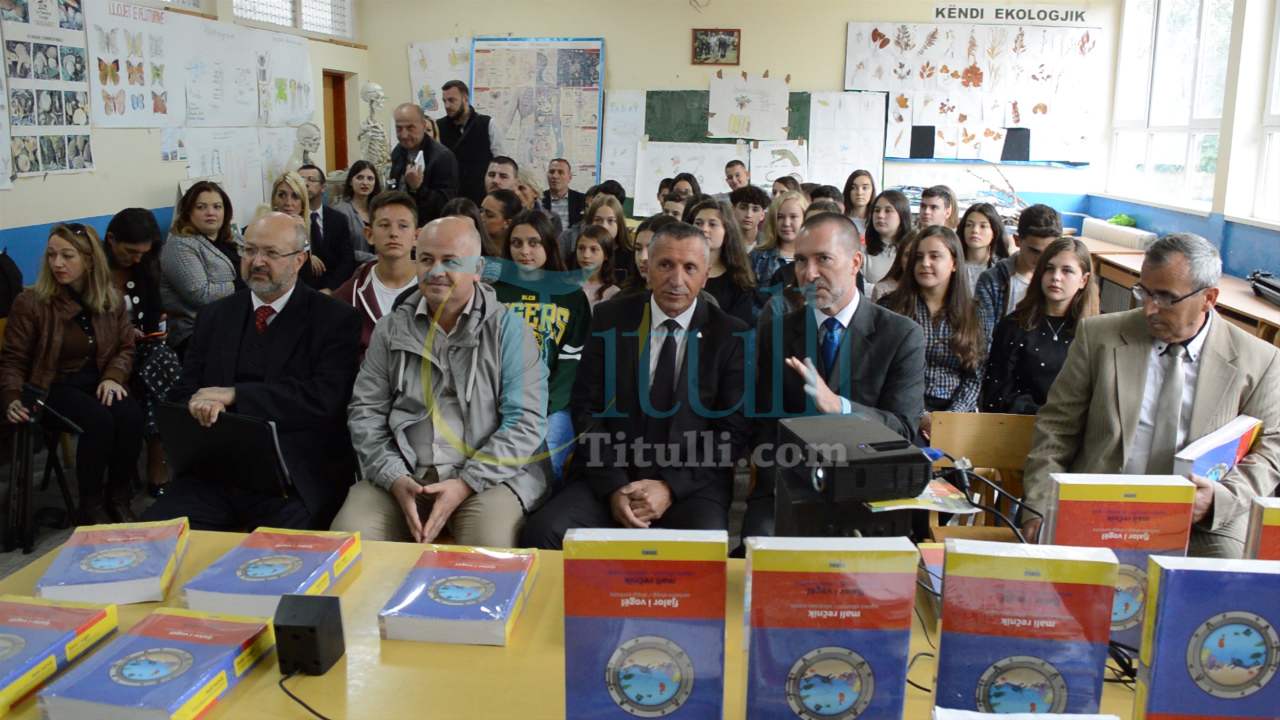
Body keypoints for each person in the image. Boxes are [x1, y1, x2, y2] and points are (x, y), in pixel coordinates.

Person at [1022, 233, 1280, 558]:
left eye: (1165, 297)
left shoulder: (1259, 360)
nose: (1148, 309)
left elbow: (1271, 452)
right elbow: (1056, 429)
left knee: (1228, 588)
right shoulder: (1099, 337)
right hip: (1103, 507)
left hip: (1199, 520)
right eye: (1144, 292)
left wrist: (1219, 498)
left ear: (1208, 298)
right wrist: (1041, 503)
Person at [520, 222, 750, 548]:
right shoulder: (611, 318)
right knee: (545, 531)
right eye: (666, 265)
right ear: (648, 267)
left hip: (691, 485)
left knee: (703, 550)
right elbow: (587, 407)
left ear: (707, 272)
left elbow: (731, 430)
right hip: (609, 475)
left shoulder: (731, 335)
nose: (676, 279)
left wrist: (668, 488)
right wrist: (615, 487)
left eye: (689, 268)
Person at [332, 216, 550, 546]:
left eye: (450, 261)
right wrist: (392, 476)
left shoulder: (510, 332)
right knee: (346, 543)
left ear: (477, 269)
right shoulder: (391, 329)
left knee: (486, 558)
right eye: (426, 259)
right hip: (403, 475)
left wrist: (466, 482)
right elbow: (365, 412)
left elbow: (525, 423)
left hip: (487, 480)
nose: (435, 271)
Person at [143, 213, 362, 531]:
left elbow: (325, 398)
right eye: (249, 250)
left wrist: (236, 395)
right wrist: (196, 405)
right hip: (216, 471)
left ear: (299, 259)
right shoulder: (215, 316)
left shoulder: (334, 319)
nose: (257, 261)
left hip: (294, 478)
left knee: (274, 564)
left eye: (271, 253)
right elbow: (183, 391)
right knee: (153, 541)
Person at [743, 213, 926, 538]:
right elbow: (763, 425)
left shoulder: (900, 335)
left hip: (868, 487)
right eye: (800, 260)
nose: (809, 274)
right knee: (757, 550)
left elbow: (903, 430)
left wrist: (840, 408)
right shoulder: (777, 333)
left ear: (855, 262)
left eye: (823, 259)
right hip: (791, 484)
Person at [1, 224, 142, 524]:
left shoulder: (110, 298)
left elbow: (126, 346)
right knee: (99, 421)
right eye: (51, 255)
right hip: (50, 384)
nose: (57, 263)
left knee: (130, 414)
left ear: (90, 260)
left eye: (67, 256)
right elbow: (13, 359)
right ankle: (90, 505)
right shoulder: (31, 303)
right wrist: (11, 396)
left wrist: (113, 376)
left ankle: (118, 495)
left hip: (97, 378)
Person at [492, 209, 591, 484]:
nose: (525, 251)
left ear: (548, 244)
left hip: (553, 404)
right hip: (498, 402)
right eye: (517, 243)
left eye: (534, 242)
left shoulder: (570, 294)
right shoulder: (493, 292)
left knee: (544, 466)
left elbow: (573, 360)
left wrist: (544, 406)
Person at [879, 225, 985, 442]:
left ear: (954, 263)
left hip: (955, 412)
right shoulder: (891, 307)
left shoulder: (974, 312)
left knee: (958, 470)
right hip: (902, 410)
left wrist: (949, 419)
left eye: (935, 256)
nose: (924, 264)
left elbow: (974, 378)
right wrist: (921, 415)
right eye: (919, 257)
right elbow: (882, 371)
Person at [104, 209, 181, 495]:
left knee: (160, 363)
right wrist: (123, 333)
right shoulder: (92, 272)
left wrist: (152, 330)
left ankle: (156, 454)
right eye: (130, 252)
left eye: (143, 253)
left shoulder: (144, 267)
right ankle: (159, 461)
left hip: (143, 349)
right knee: (161, 368)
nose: (136, 258)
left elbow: (152, 315)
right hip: (105, 355)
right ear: (111, 240)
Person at [981, 238, 1097, 414]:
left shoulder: (1093, 333)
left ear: (1083, 280)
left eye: (1067, 271)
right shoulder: (1012, 326)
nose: (1056, 277)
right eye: (1049, 268)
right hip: (1018, 427)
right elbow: (995, 393)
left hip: (1073, 430)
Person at [161, 180, 244, 358]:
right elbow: (200, 293)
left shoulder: (233, 239)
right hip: (196, 333)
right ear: (188, 211)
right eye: (201, 207)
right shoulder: (180, 245)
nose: (211, 213)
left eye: (217, 207)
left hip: (234, 323)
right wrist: (240, 284)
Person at [334, 191, 422, 355]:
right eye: (384, 225)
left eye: (403, 226)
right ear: (369, 234)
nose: (393, 233)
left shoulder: (435, 288)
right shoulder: (347, 296)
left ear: (416, 236)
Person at [975, 203, 1062, 342]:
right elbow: (983, 339)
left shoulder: (1061, 281)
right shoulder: (992, 280)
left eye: (1048, 252)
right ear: (1017, 240)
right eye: (1034, 251)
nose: (1041, 260)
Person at [686, 197, 755, 326]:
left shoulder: (738, 279)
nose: (704, 229)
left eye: (712, 224)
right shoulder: (679, 272)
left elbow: (740, 328)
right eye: (698, 223)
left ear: (727, 231)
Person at [388, 102, 459, 226]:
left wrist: (418, 188)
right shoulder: (398, 151)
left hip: (429, 229)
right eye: (399, 128)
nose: (404, 135)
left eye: (410, 128)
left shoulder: (443, 157)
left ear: (423, 125)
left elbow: (447, 206)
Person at [437, 79, 503, 204]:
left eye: (451, 100)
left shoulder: (487, 124)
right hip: (449, 201)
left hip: (481, 200)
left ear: (465, 99)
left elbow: (501, 162)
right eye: (444, 101)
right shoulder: (438, 127)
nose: (447, 106)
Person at [297, 164, 357, 292]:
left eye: (311, 180)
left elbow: (347, 260)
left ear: (323, 187)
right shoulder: (292, 219)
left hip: (333, 290)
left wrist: (330, 288)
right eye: (301, 180)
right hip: (300, 289)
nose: (305, 184)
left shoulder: (338, 219)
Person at [750, 190, 809, 297]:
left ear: (805, 218)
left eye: (793, 217)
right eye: (780, 217)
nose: (786, 223)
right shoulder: (757, 256)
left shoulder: (813, 257)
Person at [332, 160, 382, 261]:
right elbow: (339, 249)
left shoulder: (380, 210)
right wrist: (373, 258)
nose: (365, 182)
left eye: (370, 178)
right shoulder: (341, 211)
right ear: (351, 181)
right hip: (353, 269)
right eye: (360, 177)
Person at [863, 190, 912, 291]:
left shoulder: (913, 250)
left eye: (888, 210)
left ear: (902, 215)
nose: (880, 215)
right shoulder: (863, 251)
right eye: (876, 210)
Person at [583, 193, 633, 287]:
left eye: (610, 221)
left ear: (619, 224)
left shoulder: (630, 257)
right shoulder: (581, 254)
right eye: (598, 220)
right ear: (590, 223)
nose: (604, 226)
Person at [959, 202, 1008, 292]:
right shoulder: (953, 264)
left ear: (994, 231)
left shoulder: (1002, 269)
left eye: (983, 226)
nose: (975, 230)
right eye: (969, 225)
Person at [574, 224, 620, 307]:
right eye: (581, 248)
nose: (586, 255)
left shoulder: (614, 293)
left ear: (606, 255)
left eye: (593, 249)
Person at [541, 158, 586, 230]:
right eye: (551, 172)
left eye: (560, 172)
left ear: (570, 177)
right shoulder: (540, 200)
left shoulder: (582, 200)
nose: (555, 176)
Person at [479, 188, 523, 256]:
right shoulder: (472, 247)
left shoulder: (519, 254)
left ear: (508, 223)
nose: (480, 217)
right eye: (481, 211)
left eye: (489, 215)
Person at [731, 185, 771, 253]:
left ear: (762, 215)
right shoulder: (722, 242)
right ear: (733, 210)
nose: (748, 215)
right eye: (743, 208)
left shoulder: (770, 244)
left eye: (755, 209)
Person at [843, 170, 876, 236]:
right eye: (854, 188)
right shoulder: (840, 219)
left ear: (872, 191)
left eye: (865, 188)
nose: (859, 193)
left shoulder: (877, 219)